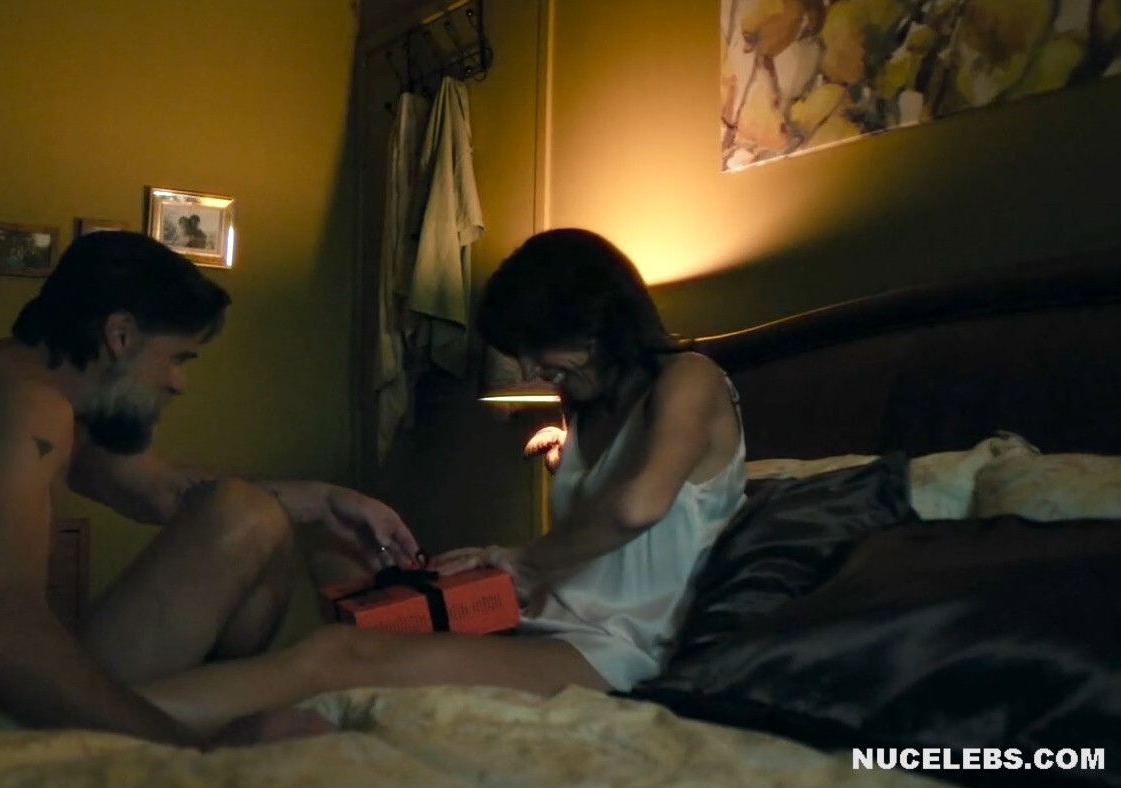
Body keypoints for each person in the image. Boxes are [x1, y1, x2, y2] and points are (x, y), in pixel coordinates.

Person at [115, 227, 747, 717]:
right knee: (337, 548)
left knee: (341, 654)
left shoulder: (690, 378)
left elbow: (637, 506)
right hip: (544, 618)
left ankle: (98, 722)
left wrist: (525, 562)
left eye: (536, 346)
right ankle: (191, 706)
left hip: (618, 651)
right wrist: (492, 567)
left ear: (594, 323)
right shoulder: (584, 408)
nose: (530, 369)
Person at [0, 231, 423, 750]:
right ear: (120, 335)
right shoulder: (25, 409)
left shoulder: (22, 389)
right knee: (252, 522)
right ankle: (218, 722)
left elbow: (163, 492)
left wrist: (324, 500)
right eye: (176, 358)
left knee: (249, 513)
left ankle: (227, 708)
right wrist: (195, 754)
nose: (179, 382)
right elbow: (2, 637)